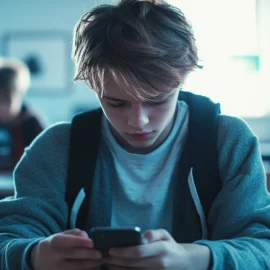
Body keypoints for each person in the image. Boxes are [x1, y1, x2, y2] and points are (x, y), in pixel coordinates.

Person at [0, 0, 270, 269]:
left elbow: (263, 248)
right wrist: (33, 255)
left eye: (157, 100)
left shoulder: (228, 141)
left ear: (183, 77)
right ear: (93, 84)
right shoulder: (56, 147)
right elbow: (8, 239)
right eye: (116, 103)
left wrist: (194, 259)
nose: (137, 121)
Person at [0, 58, 45, 172]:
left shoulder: (32, 124)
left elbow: (42, 164)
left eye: (6, 101)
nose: (1, 107)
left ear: (19, 96)